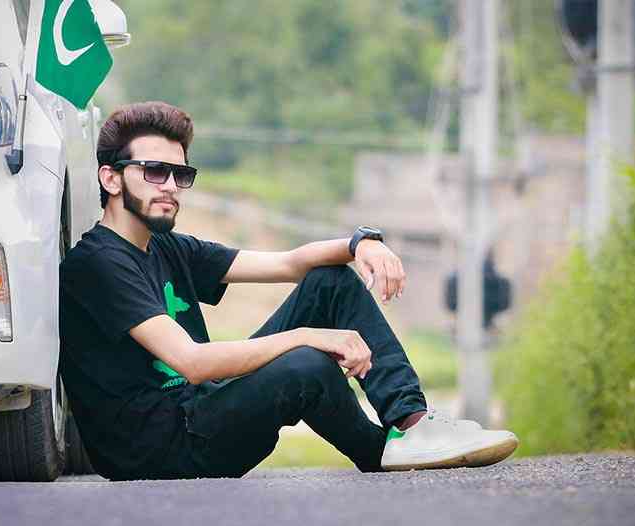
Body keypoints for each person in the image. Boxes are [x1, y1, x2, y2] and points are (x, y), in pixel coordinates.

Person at [58, 101, 518, 481]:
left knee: (330, 280)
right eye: (155, 172)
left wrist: (361, 243)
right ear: (111, 178)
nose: (172, 187)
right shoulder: (97, 263)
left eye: (181, 175)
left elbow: (290, 263)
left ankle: (412, 425)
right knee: (306, 363)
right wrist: (307, 336)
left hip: (198, 412)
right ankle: (380, 452)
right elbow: (193, 362)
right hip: (160, 449)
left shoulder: (166, 246)